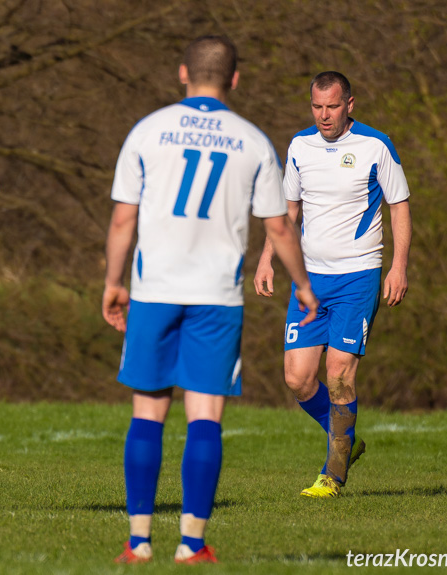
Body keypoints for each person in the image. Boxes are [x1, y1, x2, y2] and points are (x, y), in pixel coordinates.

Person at [103, 36, 318, 565]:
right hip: (216, 299)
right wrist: (304, 286)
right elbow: (280, 227)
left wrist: (113, 282)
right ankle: (192, 544)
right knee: (205, 417)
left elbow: (122, 219)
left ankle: (138, 543)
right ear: (235, 79)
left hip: (154, 292)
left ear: (183, 73)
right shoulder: (252, 141)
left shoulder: (147, 131)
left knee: (148, 414)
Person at [254, 71, 412, 498]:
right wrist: (267, 258)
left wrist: (398, 266)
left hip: (358, 276)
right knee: (297, 379)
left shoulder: (375, 146)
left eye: (332, 106)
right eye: (317, 107)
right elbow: (287, 212)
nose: (324, 115)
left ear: (350, 105)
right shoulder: (300, 146)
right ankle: (347, 436)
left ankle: (333, 472)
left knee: (339, 373)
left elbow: (399, 207)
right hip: (308, 280)